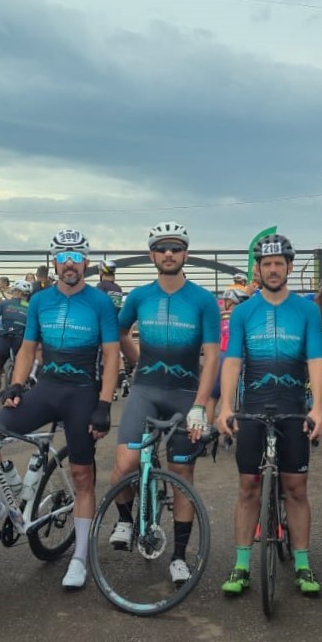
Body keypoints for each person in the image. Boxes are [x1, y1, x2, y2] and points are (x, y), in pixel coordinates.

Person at [0, 229, 120, 590]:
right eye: (63, 257)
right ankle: (7, 495)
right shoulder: (39, 301)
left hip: (82, 392)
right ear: (54, 262)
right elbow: (27, 348)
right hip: (47, 388)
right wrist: (17, 385)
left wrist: (104, 404)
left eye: (76, 257)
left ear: (86, 262)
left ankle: (79, 557)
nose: (69, 264)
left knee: (82, 475)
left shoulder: (100, 302)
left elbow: (112, 356)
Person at [107, 222, 221, 585]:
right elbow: (119, 331)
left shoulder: (203, 300)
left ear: (186, 254)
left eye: (175, 248)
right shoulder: (139, 296)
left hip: (185, 395)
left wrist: (201, 406)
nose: (168, 253)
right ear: (152, 255)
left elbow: (212, 355)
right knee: (125, 463)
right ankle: (126, 519)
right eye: (161, 248)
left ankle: (179, 556)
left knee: (181, 474)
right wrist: (136, 361)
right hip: (146, 389)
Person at [216, 234, 322, 597]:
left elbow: (316, 360)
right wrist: (226, 406)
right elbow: (233, 361)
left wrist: (317, 408)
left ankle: (303, 565)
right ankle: (241, 565)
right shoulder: (244, 311)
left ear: (289, 267)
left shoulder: (307, 310)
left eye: (279, 263)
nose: (274, 269)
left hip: (293, 408)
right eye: (267, 264)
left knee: (296, 488)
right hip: (253, 408)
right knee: (248, 487)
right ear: (258, 270)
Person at [0, 280, 30, 380]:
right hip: (21, 338)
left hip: (4, 336)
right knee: (24, 366)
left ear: (14, 291)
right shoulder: (29, 306)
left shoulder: (4, 303)